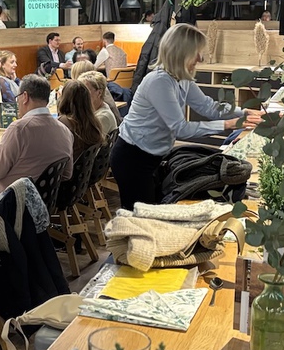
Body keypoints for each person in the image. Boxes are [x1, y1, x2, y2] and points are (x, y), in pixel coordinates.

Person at [110, 24, 261, 210]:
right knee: (140, 217)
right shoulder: (159, 82)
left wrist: (244, 112)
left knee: (152, 212)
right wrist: (229, 124)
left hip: (151, 156)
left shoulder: (181, 78)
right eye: (196, 52)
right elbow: (180, 128)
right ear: (181, 52)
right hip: (133, 158)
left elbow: (208, 106)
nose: (200, 58)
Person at [0, 73, 73, 197]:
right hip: (47, 198)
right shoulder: (65, 131)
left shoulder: (19, 129)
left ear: (25, 97)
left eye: (17, 98)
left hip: (11, 199)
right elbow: (66, 174)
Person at [57, 79, 105, 160]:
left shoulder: (63, 122)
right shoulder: (93, 121)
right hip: (85, 166)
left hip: (70, 166)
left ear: (64, 99)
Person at [79, 70, 120, 134]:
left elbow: (87, 139)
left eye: (85, 91)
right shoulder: (93, 109)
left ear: (99, 93)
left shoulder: (103, 117)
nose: (81, 94)